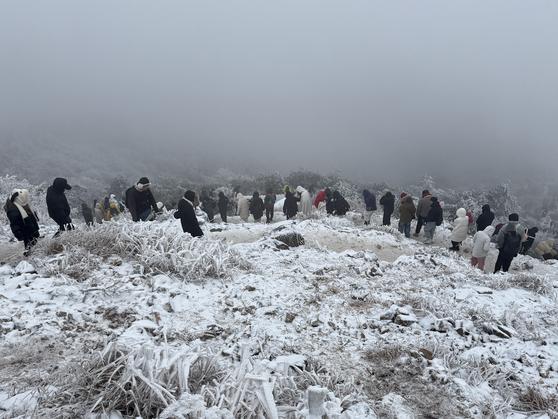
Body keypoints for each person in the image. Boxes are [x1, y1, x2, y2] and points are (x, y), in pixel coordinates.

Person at [5, 189, 40, 255]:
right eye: (24, 198)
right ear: (19, 198)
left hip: (29, 227)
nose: (26, 200)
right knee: (28, 244)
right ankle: (28, 257)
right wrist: (19, 234)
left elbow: (30, 215)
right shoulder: (13, 210)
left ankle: (32, 253)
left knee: (33, 241)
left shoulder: (20, 203)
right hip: (25, 230)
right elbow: (14, 224)